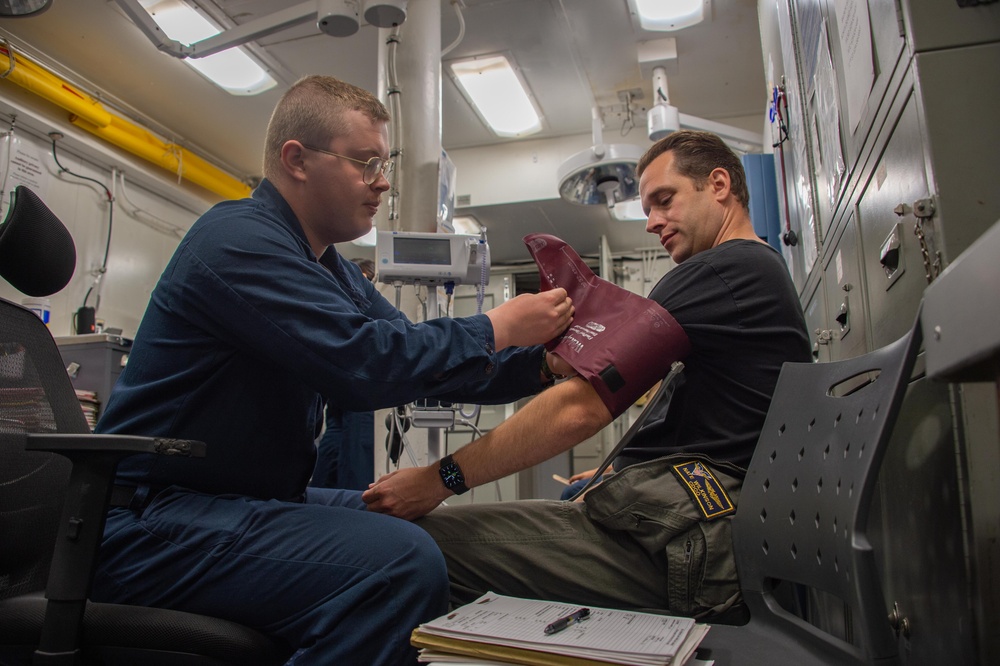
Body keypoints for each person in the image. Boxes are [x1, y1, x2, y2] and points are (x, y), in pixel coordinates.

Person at [91, 75, 574, 665]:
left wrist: (545, 363)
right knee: (400, 565)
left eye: (384, 162)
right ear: (296, 160)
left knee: (420, 532)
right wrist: (497, 326)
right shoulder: (237, 239)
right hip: (149, 518)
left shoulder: (329, 268)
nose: (384, 180)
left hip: (238, 500)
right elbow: (365, 365)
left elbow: (416, 354)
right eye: (366, 162)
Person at [363, 130, 811, 618]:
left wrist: (438, 480)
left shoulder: (724, 269)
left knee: (410, 547)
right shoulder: (755, 270)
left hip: (694, 552)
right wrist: (617, 471)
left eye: (665, 200)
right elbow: (720, 425)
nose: (653, 222)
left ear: (719, 184)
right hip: (705, 531)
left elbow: (579, 408)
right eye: (648, 210)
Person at [311, 257, 377, 491]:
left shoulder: (371, 309)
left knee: (350, 440)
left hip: (351, 378)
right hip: (348, 378)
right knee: (344, 436)